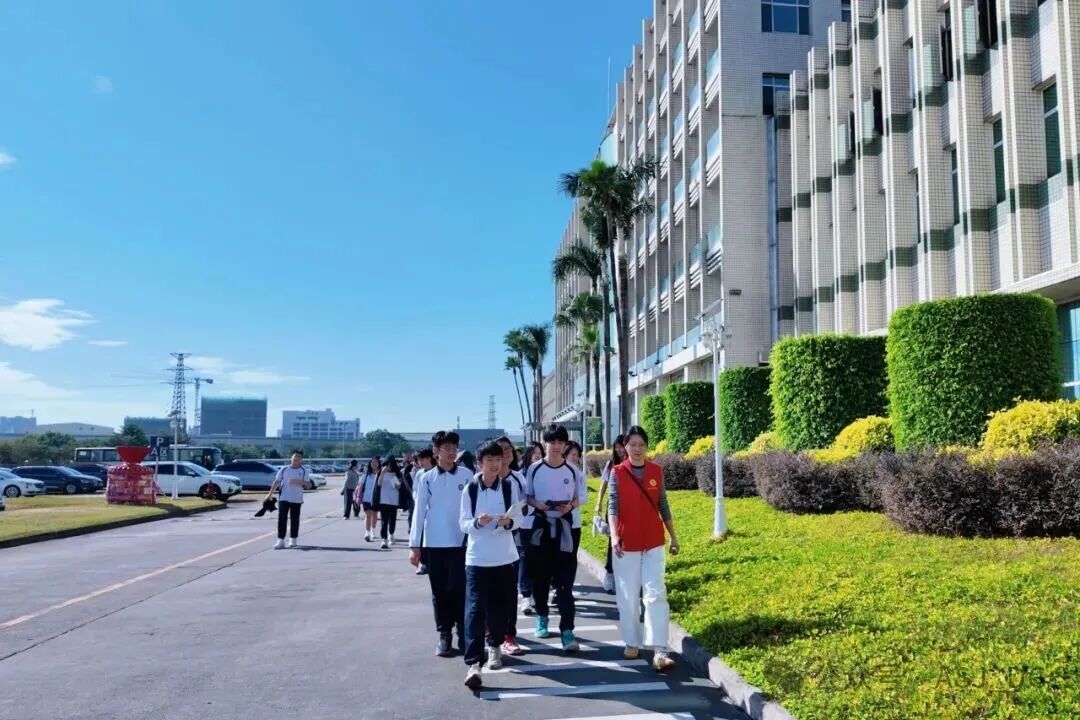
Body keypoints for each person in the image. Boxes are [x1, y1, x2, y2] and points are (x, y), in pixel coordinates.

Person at [608, 425, 680, 672]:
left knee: (655, 593)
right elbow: (613, 507)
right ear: (625, 447)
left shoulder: (656, 471)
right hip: (626, 543)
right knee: (628, 596)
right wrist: (614, 536)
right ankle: (632, 641)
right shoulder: (617, 472)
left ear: (646, 446)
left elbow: (663, 505)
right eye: (633, 445)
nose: (637, 449)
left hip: (653, 542)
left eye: (641, 444)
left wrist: (673, 537)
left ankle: (660, 649)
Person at [459, 441, 521, 689]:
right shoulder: (471, 489)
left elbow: (519, 517)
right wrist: (477, 522)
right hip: (477, 559)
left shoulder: (508, 486)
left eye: (498, 459)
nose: (495, 464)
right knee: (475, 610)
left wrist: (509, 523)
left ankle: (494, 646)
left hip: (504, 558)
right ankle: (474, 663)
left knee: (499, 608)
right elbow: (463, 523)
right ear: (479, 463)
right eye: (489, 460)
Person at [524, 424, 586, 652]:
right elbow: (528, 496)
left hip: (565, 528)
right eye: (552, 442)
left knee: (565, 583)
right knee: (540, 579)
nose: (556, 446)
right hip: (540, 527)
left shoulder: (572, 470)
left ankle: (567, 631)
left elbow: (580, 497)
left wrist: (570, 505)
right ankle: (542, 616)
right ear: (545, 443)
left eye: (561, 442)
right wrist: (538, 504)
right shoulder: (534, 469)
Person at [410, 430, 472, 656]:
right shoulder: (426, 478)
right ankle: (444, 633)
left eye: (454, 448)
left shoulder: (466, 475)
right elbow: (419, 512)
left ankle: (463, 632)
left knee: (460, 589)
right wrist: (414, 546)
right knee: (439, 591)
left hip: (460, 542)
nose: (451, 453)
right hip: (434, 543)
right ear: (436, 451)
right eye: (447, 448)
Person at [494, 435, 526, 655]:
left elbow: (525, 507)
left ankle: (508, 635)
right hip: (486, 542)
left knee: (509, 590)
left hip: (512, 539)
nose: (505, 452)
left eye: (508, 448)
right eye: (501, 449)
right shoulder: (479, 480)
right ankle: (490, 633)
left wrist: (514, 520)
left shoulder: (518, 479)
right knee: (487, 591)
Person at [595, 435, 627, 593]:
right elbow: (603, 485)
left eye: (622, 446)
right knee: (613, 539)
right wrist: (598, 503)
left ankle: (625, 573)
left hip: (630, 507)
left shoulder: (634, 463)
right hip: (614, 507)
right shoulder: (611, 464)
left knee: (628, 538)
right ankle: (610, 573)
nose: (619, 449)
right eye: (617, 447)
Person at [271, 450, 309, 549]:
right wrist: (270, 494)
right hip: (284, 497)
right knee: (282, 519)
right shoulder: (284, 469)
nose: (296, 458)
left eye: (299, 457)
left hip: (296, 498)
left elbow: (307, 484)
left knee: (294, 519)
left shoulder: (303, 470)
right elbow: (277, 481)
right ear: (291, 458)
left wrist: (298, 481)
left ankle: (293, 539)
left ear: (301, 460)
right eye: (295, 456)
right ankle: (280, 540)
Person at [412, 448, 435, 576]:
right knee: (421, 537)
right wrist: (418, 501)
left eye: (421, 459)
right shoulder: (420, 474)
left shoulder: (436, 472)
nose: (419, 462)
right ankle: (422, 563)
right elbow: (415, 490)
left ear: (429, 458)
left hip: (434, 511)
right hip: (422, 510)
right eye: (418, 460)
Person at [374, 456, 404, 549]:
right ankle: (384, 539)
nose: (388, 467)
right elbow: (379, 484)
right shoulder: (381, 473)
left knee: (392, 520)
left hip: (394, 501)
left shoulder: (396, 473)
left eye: (390, 465)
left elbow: (398, 487)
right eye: (387, 465)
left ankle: (391, 534)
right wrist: (383, 472)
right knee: (384, 521)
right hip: (384, 500)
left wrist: (395, 479)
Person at [354, 456, 382, 542]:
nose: (374, 464)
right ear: (370, 464)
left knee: (374, 515)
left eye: (376, 462)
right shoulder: (366, 475)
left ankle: (373, 530)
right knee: (368, 515)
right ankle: (367, 532)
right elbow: (360, 486)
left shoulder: (380, 475)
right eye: (372, 462)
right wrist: (358, 497)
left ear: (379, 463)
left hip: (376, 499)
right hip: (366, 498)